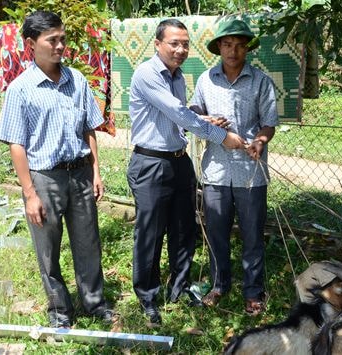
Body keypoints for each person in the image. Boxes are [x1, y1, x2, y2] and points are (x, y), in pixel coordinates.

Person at [0, 11, 114, 328]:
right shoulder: (21, 89)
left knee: (88, 242)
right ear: (31, 44)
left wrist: (96, 171)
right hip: (45, 178)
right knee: (48, 248)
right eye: (53, 40)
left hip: (80, 174)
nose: (61, 46)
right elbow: (16, 144)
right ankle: (60, 310)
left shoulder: (76, 81)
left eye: (63, 39)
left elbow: (89, 128)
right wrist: (29, 193)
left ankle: (94, 303)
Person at [127, 18, 245, 325]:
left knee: (184, 230)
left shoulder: (177, 77)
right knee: (150, 234)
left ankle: (177, 290)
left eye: (185, 44)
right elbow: (176, 112)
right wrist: (222, 137)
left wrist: (202, 117)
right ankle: (148, 297)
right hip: (151, 163)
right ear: (158, 44)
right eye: (174, 44)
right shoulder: (147, 74)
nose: (181, 50)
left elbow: (180, 113)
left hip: (179, 162)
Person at [190, 19, 279, 315]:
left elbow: (269, 121)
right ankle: (218, 284)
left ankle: (253, 291)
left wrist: (261, 140)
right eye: (227, 45)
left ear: (247, 49)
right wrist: (206, 121)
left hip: (250, 172)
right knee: (216, 232)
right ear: (218, 48)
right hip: (215, 170)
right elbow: (193, 113)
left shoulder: (261, 81)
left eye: (240, 45)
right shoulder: (205, 80)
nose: (233, 50)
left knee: (253, 234)